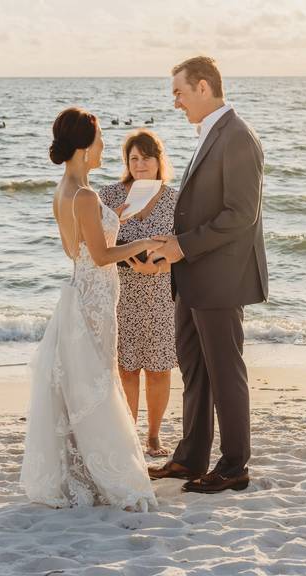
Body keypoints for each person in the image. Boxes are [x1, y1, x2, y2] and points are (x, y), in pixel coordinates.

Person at [20, 107, 161, 511]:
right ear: (84, 147)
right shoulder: (85, 195)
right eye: (99, 141)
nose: (103, 148)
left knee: (84, 384)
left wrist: (115, 222)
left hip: (79, 293)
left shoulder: (64, 191)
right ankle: (106, 474)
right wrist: (144, 241)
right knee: (98, 384)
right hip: (95, 301)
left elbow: (75, 250)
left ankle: (80, 471)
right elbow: (99, 256)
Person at [147, 56, 269, 494]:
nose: (175, 102)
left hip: (219, 279)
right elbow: (208, 207)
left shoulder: (237, 136)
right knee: (195, 370)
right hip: (194, 276)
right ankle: (190, 457)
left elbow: (240, 214)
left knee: (225, 373)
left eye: (179, 92)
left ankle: (235, 466)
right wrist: (172, 241)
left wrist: (183, 245)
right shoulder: (211, 134)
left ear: (203, 87)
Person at [99, 130, 178, 458]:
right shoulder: (108, 195)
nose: (140, 164)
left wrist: (157, 268)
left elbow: (183, 248)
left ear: (159, 161)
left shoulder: (175, 198)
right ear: (126, 162)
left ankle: (154, 437)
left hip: (160, 292)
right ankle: (130, 434)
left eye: (146, 157)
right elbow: (95, 243)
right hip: (122, 292)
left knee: (159, 369)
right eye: (134, 158)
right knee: (127, 368)